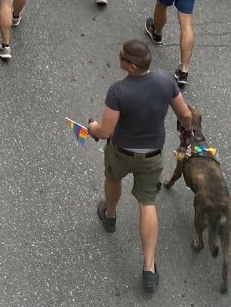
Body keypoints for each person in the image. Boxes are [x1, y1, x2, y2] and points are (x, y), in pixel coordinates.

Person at [87, 38, 192, 294]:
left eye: (121, 56)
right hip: (152, 155)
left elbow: (106, 130)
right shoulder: (166, 81)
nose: (118, 56)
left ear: (131, 66)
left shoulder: (118, 91)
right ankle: (148, 267)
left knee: (112, 179)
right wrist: (186, 134)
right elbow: (186, 115)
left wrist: (91, 127)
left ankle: (110, 215)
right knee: (147, 203)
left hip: (121, 151)